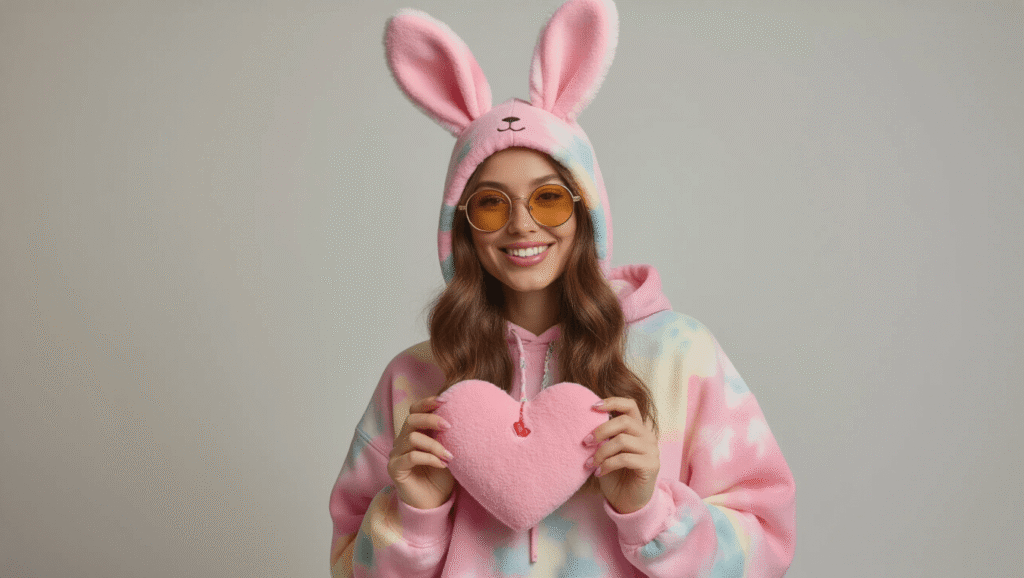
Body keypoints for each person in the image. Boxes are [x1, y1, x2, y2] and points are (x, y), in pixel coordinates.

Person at [329, 0, 796, 576]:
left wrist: (650, 514)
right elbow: (347, 566)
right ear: (462, 228)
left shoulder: (680, 356)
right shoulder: (414, 381)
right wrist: (416, 517)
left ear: (586, 212)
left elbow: (768, 547)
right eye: (491, 205)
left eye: (548, 197)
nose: (522, 224)